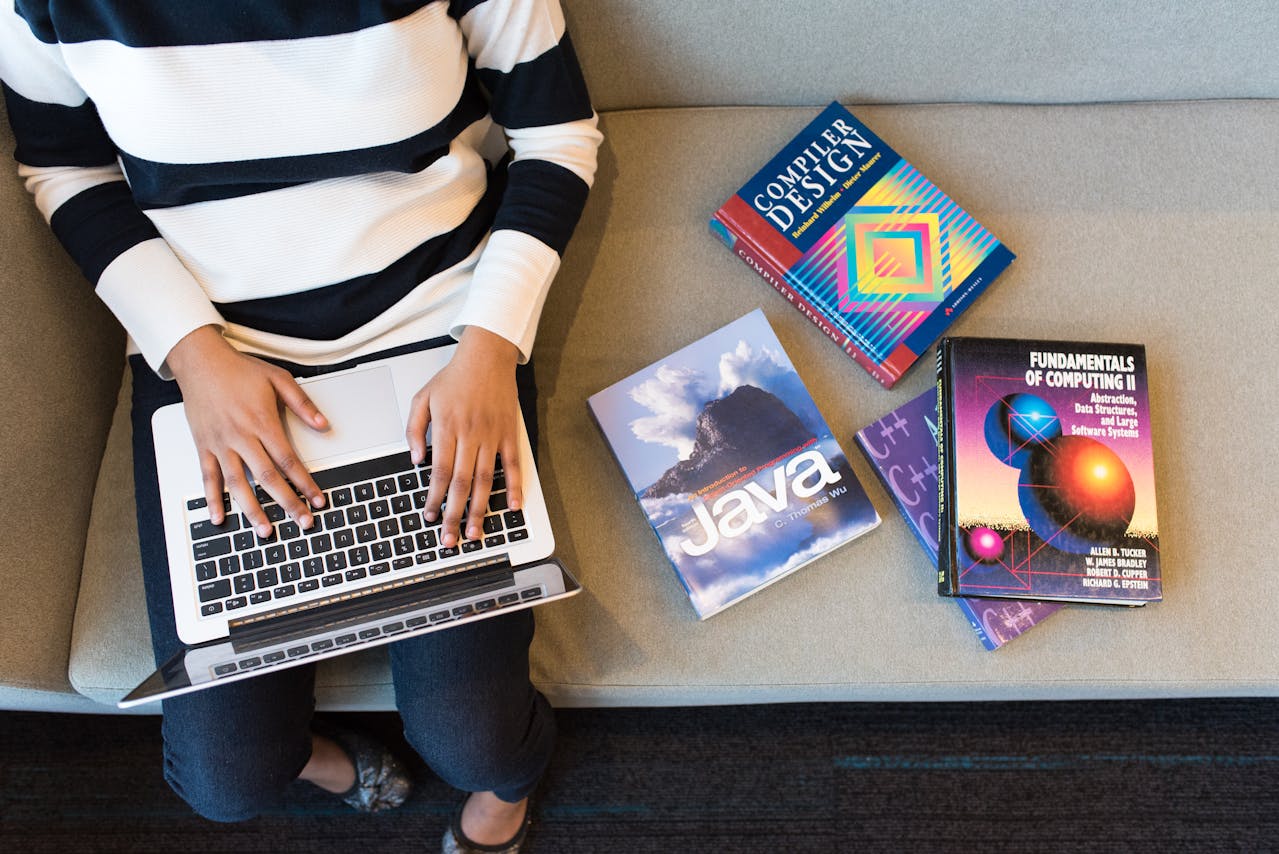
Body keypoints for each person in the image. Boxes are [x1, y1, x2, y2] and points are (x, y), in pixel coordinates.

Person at [1, 1, 601, 850]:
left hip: (439, 334)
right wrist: (195, 356)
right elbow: (65, 168)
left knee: (476, 736)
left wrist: (492, 346)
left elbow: (556, 136)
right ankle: (325, 761)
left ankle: (509, 786)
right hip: (213, 354)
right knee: (225, 780)